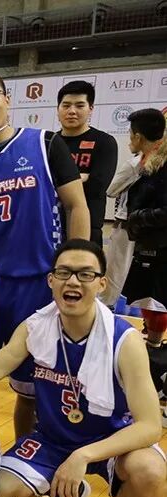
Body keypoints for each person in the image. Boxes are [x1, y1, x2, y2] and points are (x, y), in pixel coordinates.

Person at [0, 239, 166, 497]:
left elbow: (151, 425)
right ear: (51, 281)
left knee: (151, 473)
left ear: (101, 283)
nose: (73, 281)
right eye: (64, 273)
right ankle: (66, 494)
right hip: (53, 440)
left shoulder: (125, 341)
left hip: (109, 442)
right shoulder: (36, 326)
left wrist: (83, 456)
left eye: (85, 274)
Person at [0, 70, 90, 497]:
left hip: (37, 285)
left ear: (7, 99)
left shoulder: (45, 144)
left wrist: (76, 272)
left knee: (34, 391)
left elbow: (77, 205)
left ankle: (29, 468)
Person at [122, 108, 167, 349]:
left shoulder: (162, 168)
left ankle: (154, 348)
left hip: (159, 246)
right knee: (149, 300)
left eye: (130, 134)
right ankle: (153, 341)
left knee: (156, 302)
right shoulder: (147, 165)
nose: (129, 139)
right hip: (149, 242)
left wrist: (138, 218)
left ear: (138, 136)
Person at [55, 80, 119, 248]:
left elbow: (97, 186)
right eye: (66, 105)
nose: (72, 111)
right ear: (58, 109)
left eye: (79, 105)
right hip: (50, 223)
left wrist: (59, 182)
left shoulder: (104, 142)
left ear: (90, 109)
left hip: (88, 225)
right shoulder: (49, 142)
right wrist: (81, 177)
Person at [101, 153, 142, 308]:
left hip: (128, 221)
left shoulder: (135, 164)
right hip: (153, 222)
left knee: (117, 267)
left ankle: (106, 304)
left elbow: (111, 191)